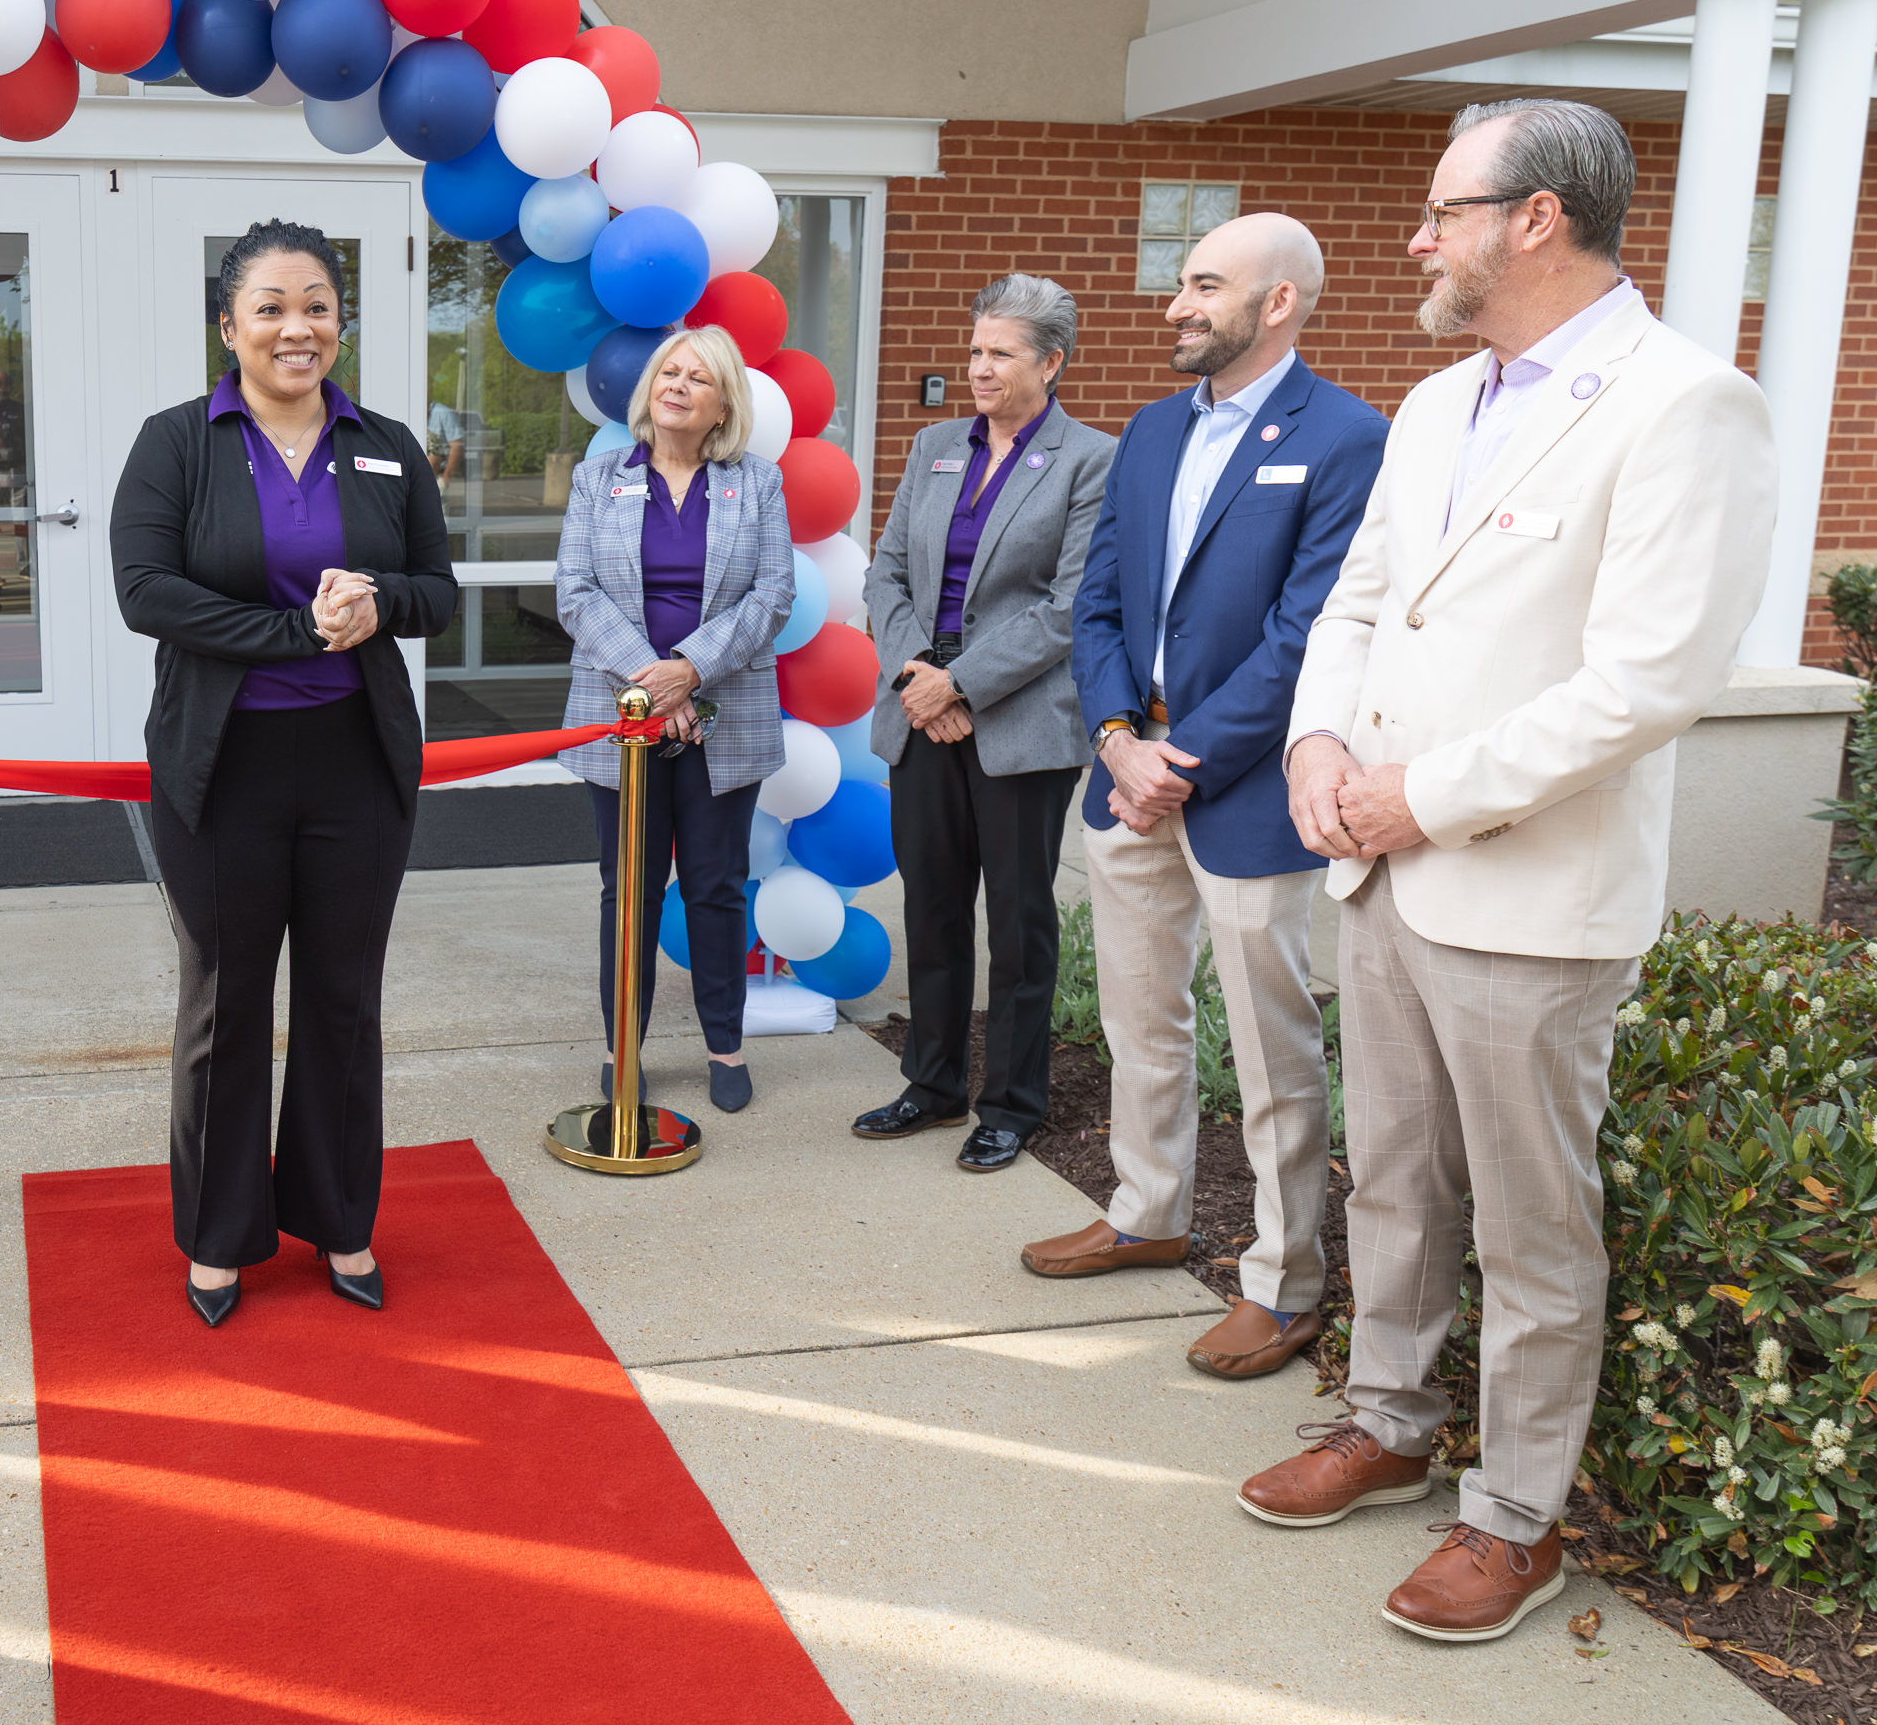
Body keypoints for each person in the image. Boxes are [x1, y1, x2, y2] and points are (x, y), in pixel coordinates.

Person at [1236, 101, 1773, 1644]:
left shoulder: (1685, 405)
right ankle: (1391, 1423)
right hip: (1381, 871)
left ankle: (1515, 1515)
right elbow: (1356, 607)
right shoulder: (1428, 407)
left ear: (1537, 219)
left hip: (1530, 896)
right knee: (1392, 1179)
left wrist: (1423, 795)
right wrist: (1320, 753)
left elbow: (1648, 682)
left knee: (1532, 1228)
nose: (1417, 236)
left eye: (1440, 210)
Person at [1021, 215, 1386, 1382]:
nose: (1176, 305)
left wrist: (1188, 761)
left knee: (1274, 1050)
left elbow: (1312, 633)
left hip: (1242, 791)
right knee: (1141, 1018)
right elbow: (1099, 603)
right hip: (1133, 773)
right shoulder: (1148, 430)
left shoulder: (1346, 439)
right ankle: (1148, 1210)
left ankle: (1286, 1285)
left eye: (1203, 285)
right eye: (1181, 284)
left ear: (1278, 302)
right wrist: (1122, 739)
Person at [111, 219, 455, 1328]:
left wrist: (380, 604)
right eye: (270, 306)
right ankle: (219, 1239)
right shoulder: (177, 441)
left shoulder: (388, 444)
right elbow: (147, 592)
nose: (295, 326)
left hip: (357, 766)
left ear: (339, 322)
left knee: (345, 1004)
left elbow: (436, 590)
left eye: (315, 304)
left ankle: (341, 1220)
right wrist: (299, 635)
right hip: (223, 768)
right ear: (230, 326)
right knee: (224, 1001)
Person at [851, 276, 1116, 1172]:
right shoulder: (933, 445)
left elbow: (1069, 606)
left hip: (1021, 728)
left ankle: (1010, 1101)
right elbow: (883, 573)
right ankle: (931, 1083)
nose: (980, 367)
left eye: (1000, 353)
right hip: (921, 712)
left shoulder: (1089, 459)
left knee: (1018, 920)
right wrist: (918, 679)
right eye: (975, 350)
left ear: (1052, 361)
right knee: (930, 907)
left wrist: (958, 683)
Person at [553, 328, 793, 1113]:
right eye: (669, 371)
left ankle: (725, 1046)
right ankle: (626, 1045)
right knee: (628, 889)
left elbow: (772, 595)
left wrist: (690, 669)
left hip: (728, 711)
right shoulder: (599, 478)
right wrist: (656, 685)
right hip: (617, 712)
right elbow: (577, 594)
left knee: (717, 887)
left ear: (723, 402)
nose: (677, 384)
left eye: (698, 377)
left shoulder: (755, 483)